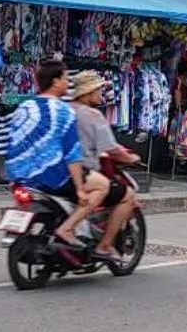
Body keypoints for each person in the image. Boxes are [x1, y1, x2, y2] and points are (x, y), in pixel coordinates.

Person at [50, 70, 138, 264]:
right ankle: (104, 246)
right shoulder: (92, 115)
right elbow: (111, 149)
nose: (101, 94)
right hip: (79, 173)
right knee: (127, 195)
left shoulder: (62, 110)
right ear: (88, 92)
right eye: (98, 89)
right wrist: (130, 158)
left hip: (54, 171)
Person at [3, 57, 87, 222]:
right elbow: (72, 154)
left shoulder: (24, 107)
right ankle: (67, 230)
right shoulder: (64, 111)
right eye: (65, 79)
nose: (67, 84)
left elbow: (12, 143)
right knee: (100, 187)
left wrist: (13, 178)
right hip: (52, 179)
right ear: (55, 82)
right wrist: (80, 189)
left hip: (21, 179)